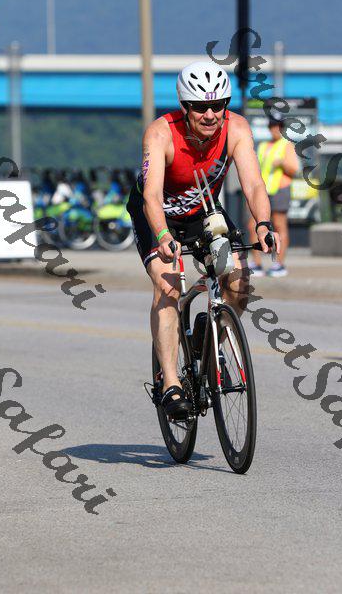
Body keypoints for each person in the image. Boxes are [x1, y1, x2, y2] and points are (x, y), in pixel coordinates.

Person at [127, 60, 280, 419]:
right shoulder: (161, 133)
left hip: (203, 211)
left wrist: (263, 224)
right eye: (199, 107)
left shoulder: (236, 128)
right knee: (168, 286)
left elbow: (254, 184)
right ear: (185, 106)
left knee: (238, 280)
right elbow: (151, 196)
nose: (210, 115)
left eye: (217, 105)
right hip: (158, 215)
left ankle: (212, 343)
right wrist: (163, 236)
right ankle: (170, 384)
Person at [248, 114, 299, 277]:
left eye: (277, 126)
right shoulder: (263, 146)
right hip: (263, 192)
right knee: (252, 225)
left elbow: (294, 169)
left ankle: (279, 264)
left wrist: (282, 163)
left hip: (280, 190)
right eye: (272, 126)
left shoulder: (287, 145)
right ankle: (256, 263)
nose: (274, 129)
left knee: (279, 225)